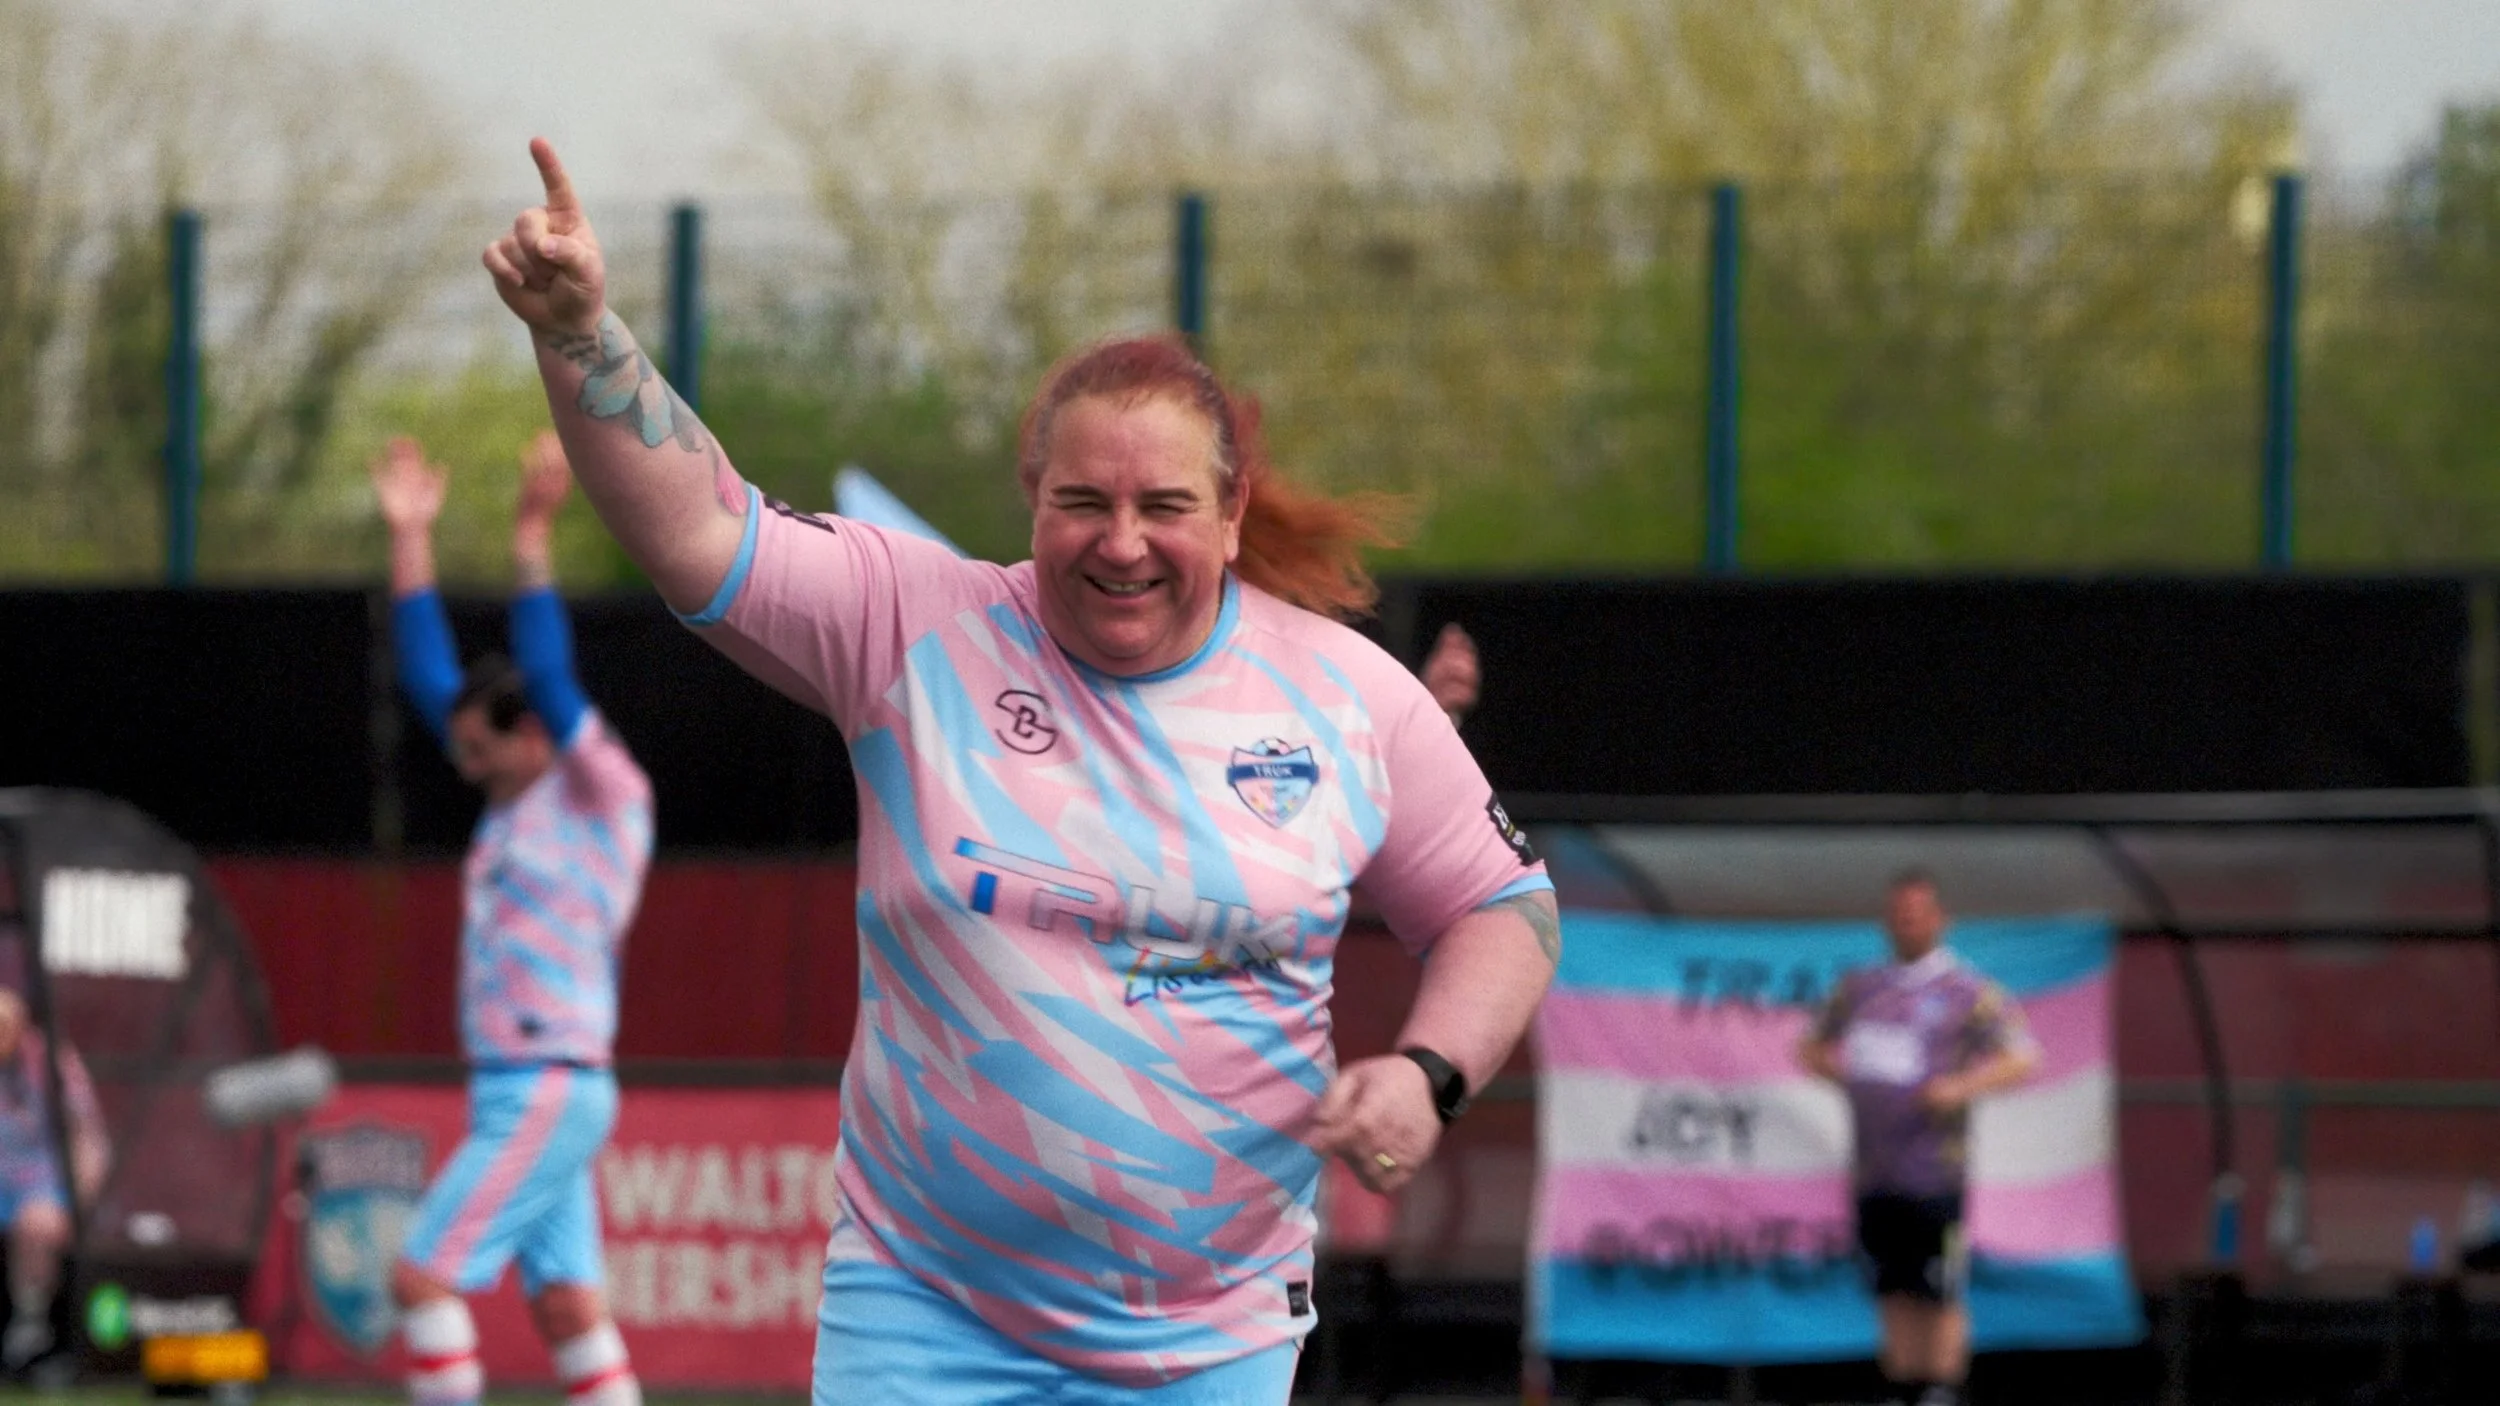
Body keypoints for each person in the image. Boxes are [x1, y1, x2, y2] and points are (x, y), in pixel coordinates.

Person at [483, 138, 1561, 1406]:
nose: (1121, 543)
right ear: (1031, 499)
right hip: (922, 1305)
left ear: (1230, 514)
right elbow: (698, 528)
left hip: (1207, 1338)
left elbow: (1504, 905)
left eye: (1164, 505)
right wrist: (578, 331)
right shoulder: (912, 627)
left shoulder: (1349, 698)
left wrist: (1428, 1073)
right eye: (1081, 501)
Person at [373, 432, 654, 1406]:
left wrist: (533, 533)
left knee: (421, 1278)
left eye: (480, 746)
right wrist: (411, 536)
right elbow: (430, 678)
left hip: (547, 1081)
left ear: (532, 732)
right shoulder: (512, 793)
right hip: (522, 1085)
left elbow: (547, 675)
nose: (465, 762)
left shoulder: (599, 790)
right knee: (569, 1307)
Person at [1797, 870, 2039, 1406]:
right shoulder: (1861, 987)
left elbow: (2022, 1057)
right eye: (1897, 916)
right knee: (1892, 1288)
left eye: (1915, 915)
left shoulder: (1967, 991)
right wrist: (1852, 1078)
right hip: (1875, 1170)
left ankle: (1941, 1387)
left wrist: (1958, 1088)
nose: (1905, 925)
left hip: (1935, 1172)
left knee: (1939, 1289)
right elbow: (1810, 1046)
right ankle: (1900, 1386)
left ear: (1938, 919)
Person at [0, 989, 106, 1369]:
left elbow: (88, 1138)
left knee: (38, 1223)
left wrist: (79, 1204)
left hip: (44, 1185)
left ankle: (29, 1328)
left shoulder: (51, 1062)